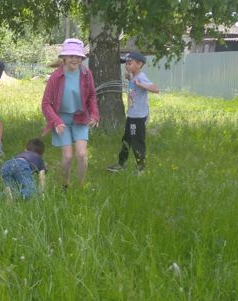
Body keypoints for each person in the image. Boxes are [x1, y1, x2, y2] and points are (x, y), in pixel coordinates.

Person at [41, 38, 100, 189]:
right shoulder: (56, 76)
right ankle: (64, 185)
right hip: (62, 120)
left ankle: (80, 186)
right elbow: (46, 104)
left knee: (81, 154)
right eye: (71, 56)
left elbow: (92, 96)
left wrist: (94, 115)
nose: (75, 59)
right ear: (64, 58)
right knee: (67, 156)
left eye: (78, 56)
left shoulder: (86, 74)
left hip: (81, 118)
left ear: (81, 58)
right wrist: (56, 121)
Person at [107, 51, 159, 173]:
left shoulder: (140, 77)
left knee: (137, 141)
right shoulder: (133, 77)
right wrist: (131, 80)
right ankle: (121, 164)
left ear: (139, 64)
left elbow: (155, 89)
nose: (127, 66)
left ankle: (140, 168)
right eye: (126, 64)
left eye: (129, 63)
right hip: (132, 115)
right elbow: (133, 94)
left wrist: (140, 84)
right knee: (126, 140)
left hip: (138, 117)